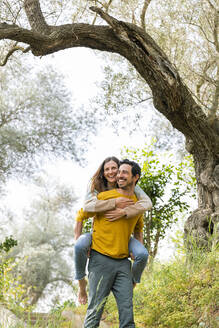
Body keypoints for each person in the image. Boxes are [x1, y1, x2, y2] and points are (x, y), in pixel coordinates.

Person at [74, 157, 152, 305]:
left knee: (142, 254)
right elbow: (83, 212)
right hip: (99, 233)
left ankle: (132, 283)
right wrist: (114, 202)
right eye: (107, 169)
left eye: (114, 168)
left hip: (123, 237)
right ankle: (81, 284)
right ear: (103, 173)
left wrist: (126, 211)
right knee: (79, 246)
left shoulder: (130, 187)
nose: (111, 172)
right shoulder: (98, 189)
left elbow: (142, 215)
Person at [83, 159, 145, 327]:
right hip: (100, 260)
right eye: (119, 172)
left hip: (123, 264)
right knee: (95, 312)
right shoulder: (103, 197)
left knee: (127, 314)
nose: (119, 175)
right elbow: (83, 213)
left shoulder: (138, 205)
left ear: (135, 178)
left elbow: (138, 229)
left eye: (124, 172)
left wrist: (137, 249)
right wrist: (83, 242)